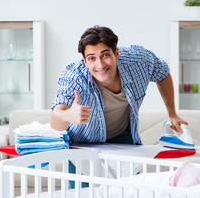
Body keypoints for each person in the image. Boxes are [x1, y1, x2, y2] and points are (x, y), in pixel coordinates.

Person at [51, 25, 187, 146]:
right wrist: (67, 115)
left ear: (116, 53)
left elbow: (162, 73)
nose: (100, 65)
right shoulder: (74, 77)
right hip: (83, 143)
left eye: (105, 55)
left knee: (135, 175)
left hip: (124, 137)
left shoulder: (139, 61)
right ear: (85, 62)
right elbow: (55, 119)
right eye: (92, 58)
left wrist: (172, 114)